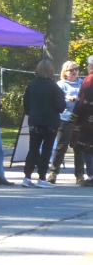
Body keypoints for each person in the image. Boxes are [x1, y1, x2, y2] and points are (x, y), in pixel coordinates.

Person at [22, 60, 66, 188]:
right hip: (50, 122)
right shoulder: (54, 87)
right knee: (46, 150)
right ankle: (41, 177)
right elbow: (60, 107)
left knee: (33, 149)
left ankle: (27, 176)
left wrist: (31, 113)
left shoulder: (32, 84)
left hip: (35, 121)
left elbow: (26, 104)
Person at [48, 61, 86, 185]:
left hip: (80, 119)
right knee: (61, 146)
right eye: (71, 70)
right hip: (65, 118)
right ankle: (53, 173)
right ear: (65, 72)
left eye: (76, 69)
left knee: (79, 147)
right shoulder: (60, 85)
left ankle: (79, 176)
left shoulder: (83, 83)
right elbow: (56, 100)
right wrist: (67, 98)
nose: (75, 72)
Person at [69, 55, 93, 187]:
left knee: (85, 147)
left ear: (90, 66)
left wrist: (74, 118)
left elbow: (82, 102)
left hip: (87, 121)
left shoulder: (89, 80)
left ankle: (90, 176)